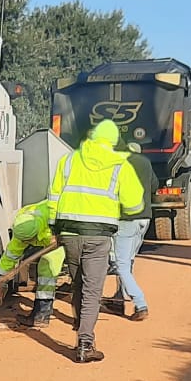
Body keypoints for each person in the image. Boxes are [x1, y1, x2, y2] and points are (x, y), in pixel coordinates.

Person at [51, 119, 147, 363]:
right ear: (114, 141)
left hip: (69, 233)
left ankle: (79, 322)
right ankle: (85, 342)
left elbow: (53, 196)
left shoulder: (69, 159)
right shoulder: (120, 165)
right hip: (99, 235)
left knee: (77, 283)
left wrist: (53, 227)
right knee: (92, 289)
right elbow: (135, 204)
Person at [0, 198, 64, 327]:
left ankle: (42, 314)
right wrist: (0, 279)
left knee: (47, 267)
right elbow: (10, 256)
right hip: (46, 236)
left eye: (30, 240)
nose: (27, 243)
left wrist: (59, 235)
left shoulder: (52, 214)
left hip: (61, 237)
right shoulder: (21, 228)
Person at [107, 138, 157, 321]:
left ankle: (140, 303)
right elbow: (154, 186)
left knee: (120, 265)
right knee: (128, 261)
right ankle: (119, 297)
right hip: (144, 218)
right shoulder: (144, 161)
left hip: (126, 219)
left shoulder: (117, 163)